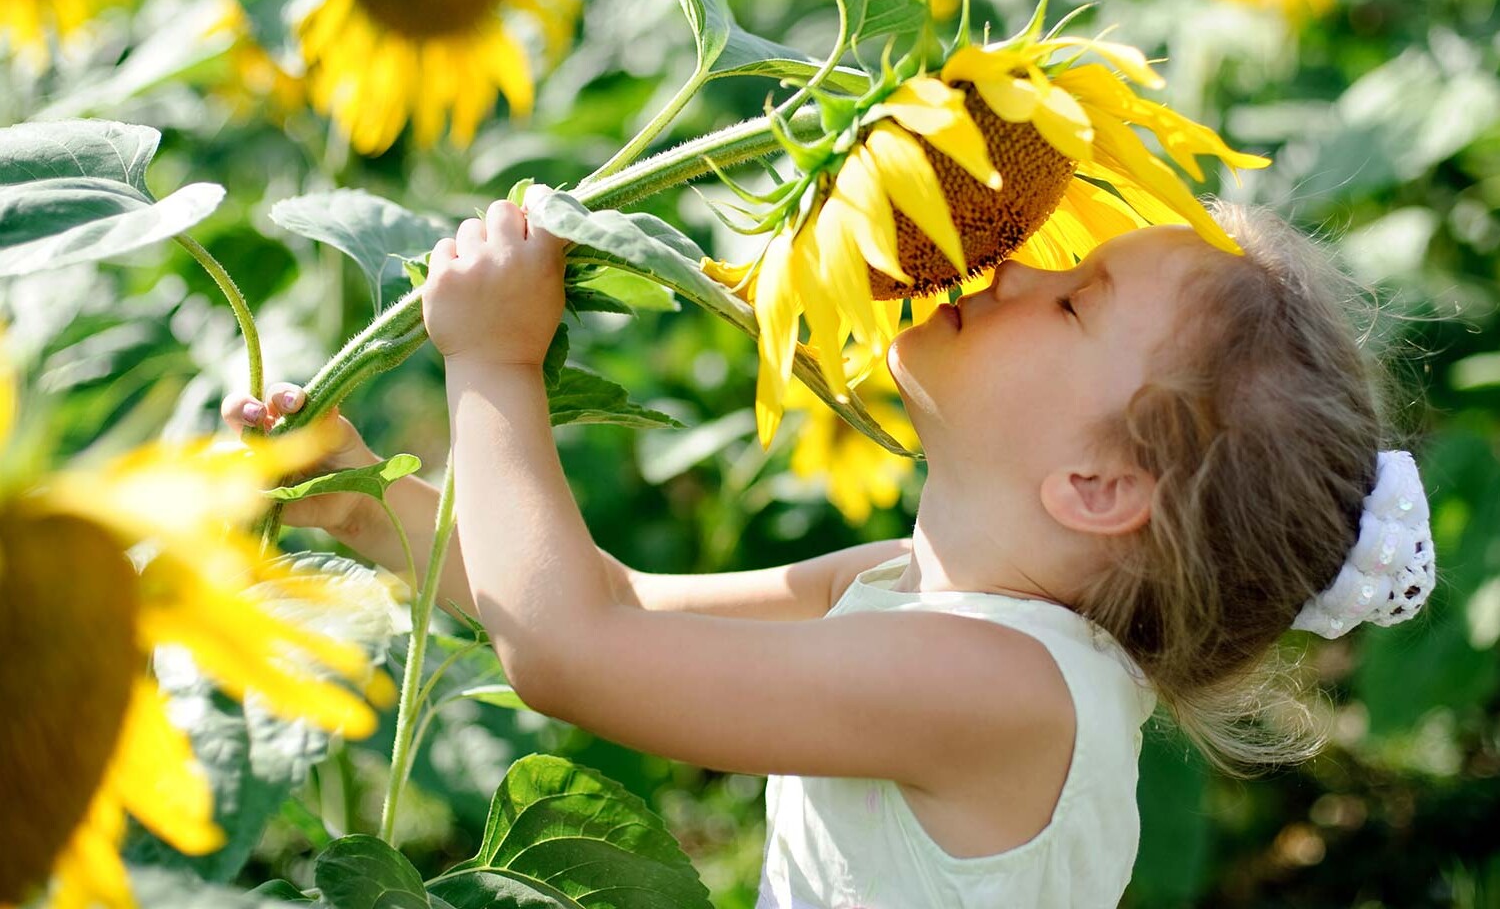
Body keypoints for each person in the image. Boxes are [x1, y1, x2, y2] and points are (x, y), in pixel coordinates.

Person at [223, 189, 1437, 909]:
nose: (1017, 260)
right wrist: (368, 508)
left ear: (1102, 484)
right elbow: (618, 600)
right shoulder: (909, 597)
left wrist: (493, 364)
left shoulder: (1005, 690)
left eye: (1072, 299)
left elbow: (571, 653)